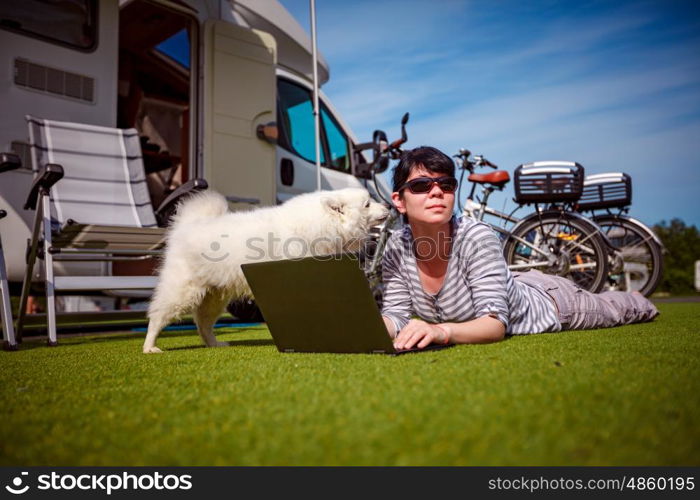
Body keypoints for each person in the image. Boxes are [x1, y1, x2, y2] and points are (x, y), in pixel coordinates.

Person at [380, 146, 659, 350]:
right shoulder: (395, 246)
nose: (437, 192)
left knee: (616, 309)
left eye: (447, 184)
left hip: (553, 304)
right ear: (399, 200)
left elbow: (493, 325)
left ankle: (634, 297)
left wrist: (440, 331)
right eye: (421, 185)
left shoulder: (476, 237)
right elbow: (396, 315)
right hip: (514, 285)